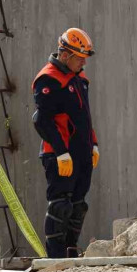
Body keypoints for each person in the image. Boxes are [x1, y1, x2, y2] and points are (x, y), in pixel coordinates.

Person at [32, 27, 99, 258]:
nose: (83, 63)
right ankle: (55, 257)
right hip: (59, 154)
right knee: (61, 205)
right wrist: (61, 152)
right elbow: (42, 120)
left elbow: (85, 115)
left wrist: (94, 143)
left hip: (82, 152)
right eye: (80, 58)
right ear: (65, 55)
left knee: (78, 206)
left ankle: (71, 252)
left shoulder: (79, 78)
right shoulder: (48, 79)